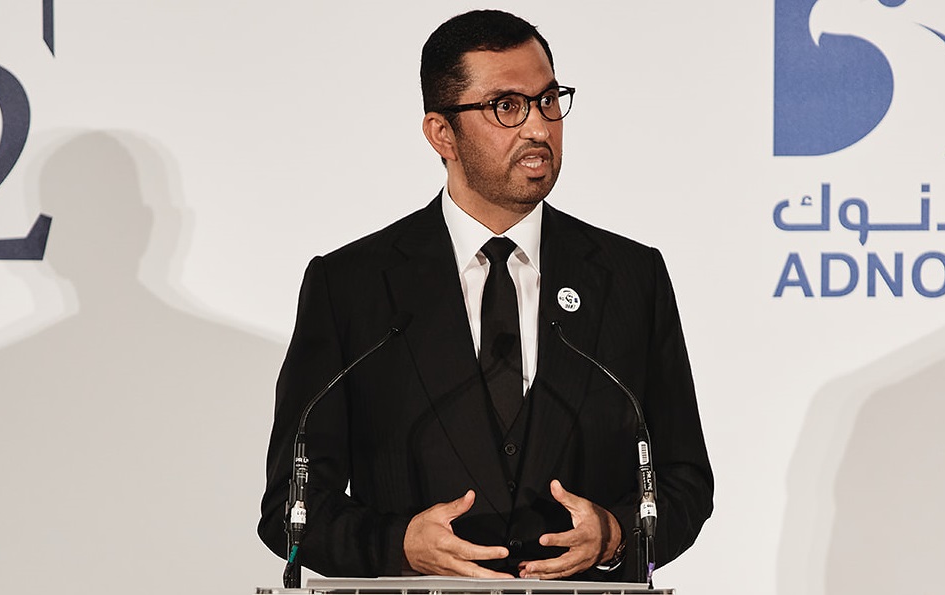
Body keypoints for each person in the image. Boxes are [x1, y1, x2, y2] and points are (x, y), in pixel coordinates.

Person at [258, 9, 713, 582]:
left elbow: (684, 481)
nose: (539, 128)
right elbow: (292, 508)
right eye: (506, 106)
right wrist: (399, 545)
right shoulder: (351, 286)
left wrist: (617, 533)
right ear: (441, 133)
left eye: (548, 100)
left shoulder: (630, 278)